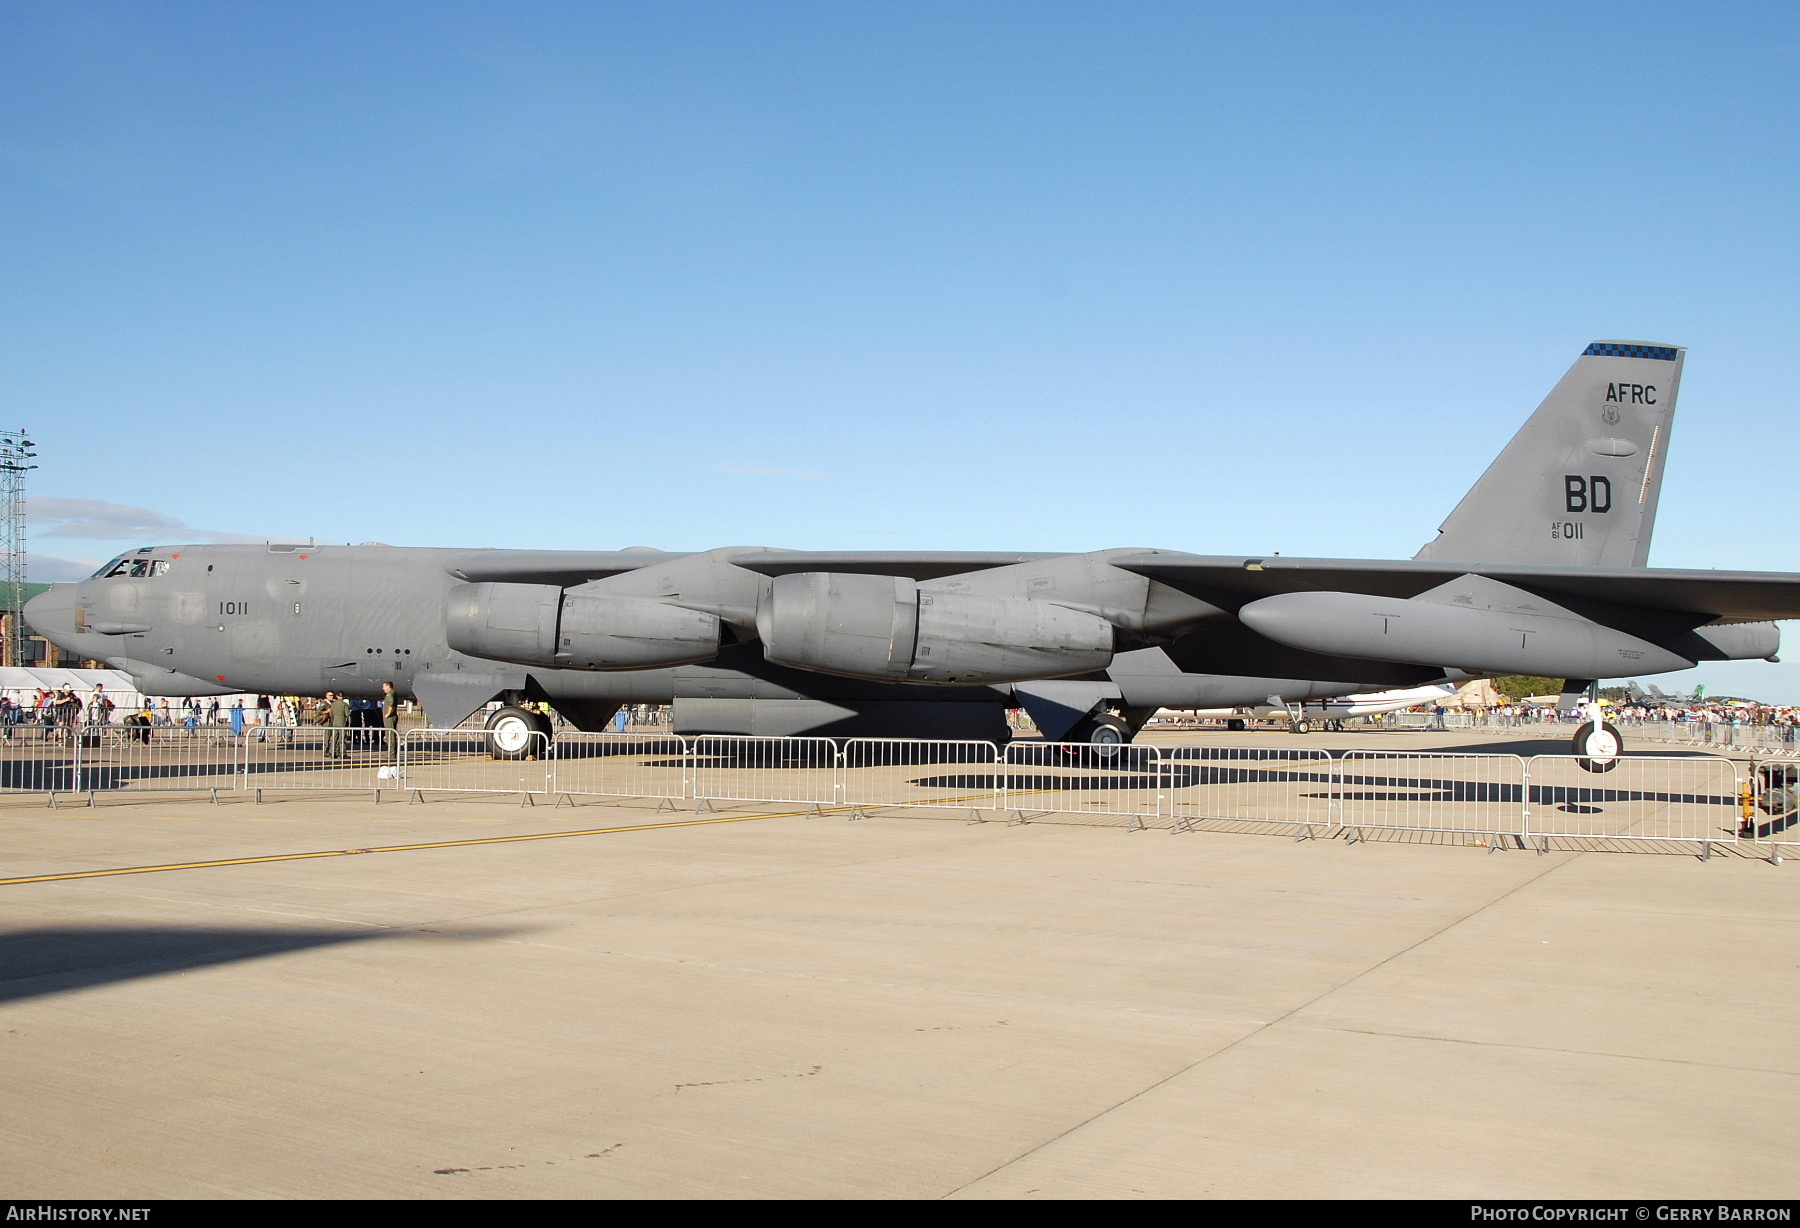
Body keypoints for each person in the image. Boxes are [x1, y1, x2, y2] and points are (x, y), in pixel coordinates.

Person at [322, 691, 350, 758]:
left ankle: (332, 753)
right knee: (342, 738)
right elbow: (347, 714)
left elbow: (331, 714)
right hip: (342, 722)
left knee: (334, 738)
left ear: (337, 696)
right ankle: (342, 753)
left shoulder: (333, 704)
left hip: (334, 722)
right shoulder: (344, 704)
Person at [380, 681, 399, 758]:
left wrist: (388, 714)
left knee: (390, 735)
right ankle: (391, 753)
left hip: (390, 718)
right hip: (390, 717)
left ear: (388, 686)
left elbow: (391, 704)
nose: (383, 688)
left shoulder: (390, 694)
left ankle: (392, 754)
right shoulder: (391, 694)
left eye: (384, 686)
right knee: (390, 735)